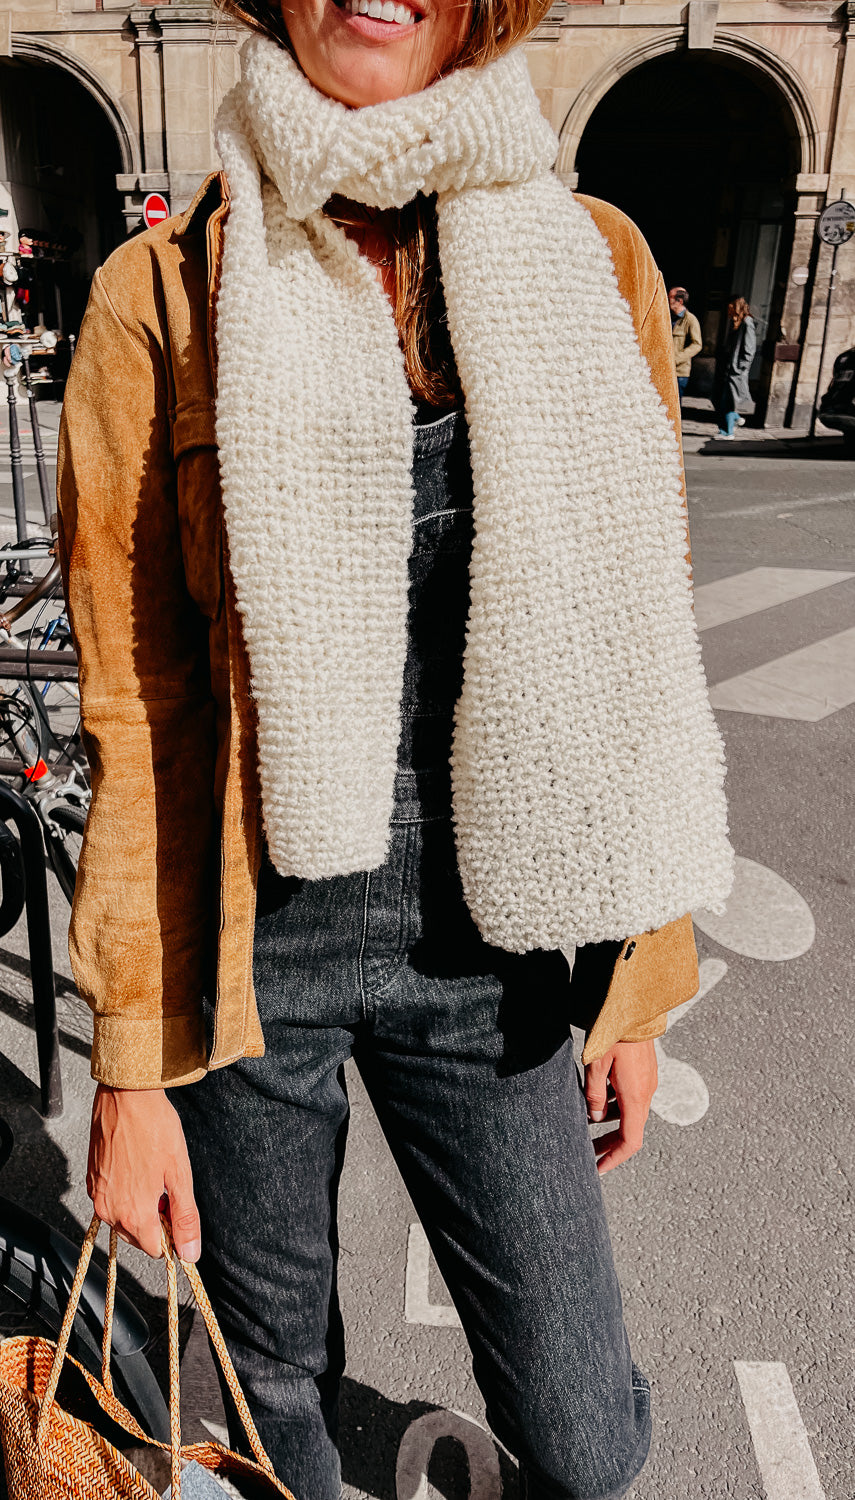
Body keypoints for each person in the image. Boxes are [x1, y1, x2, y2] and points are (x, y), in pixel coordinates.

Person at [58, 0, 734, 1496]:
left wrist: (637, 983)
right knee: (270, 1395)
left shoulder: (590, 259)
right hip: (255, 939)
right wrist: (129, 1071)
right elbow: (138, 707)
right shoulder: (159, 294)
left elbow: (634, 646)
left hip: (491, 938)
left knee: (583, 1437)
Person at [713, 295, 757, 438]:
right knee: (721, 399)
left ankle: (727, 432)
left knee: (727, 401)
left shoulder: (747, 322)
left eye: (730, 306)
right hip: (728, 369)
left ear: (735, 306)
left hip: (735, 371)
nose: (728, 310)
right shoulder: (736, 323)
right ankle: (735, 419)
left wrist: (741, 367)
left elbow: (750, 348)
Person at [669, 285, 702, 398]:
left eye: (670, 297)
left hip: (679, 373)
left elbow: (697, 345)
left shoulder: (690, 319)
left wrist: (676, 359)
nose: (667, 300)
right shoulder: (668, 317)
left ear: (680, 301)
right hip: (665, 369)